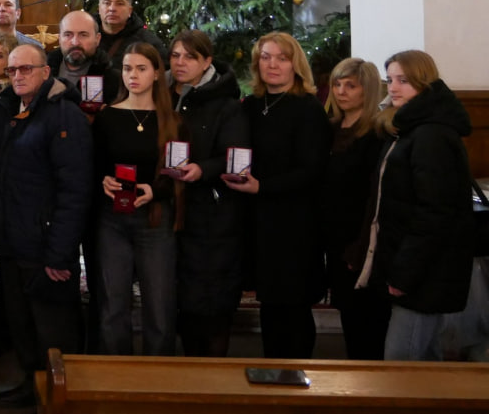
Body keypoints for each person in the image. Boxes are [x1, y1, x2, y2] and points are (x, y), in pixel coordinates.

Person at [0, 44, 92, 407]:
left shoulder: (64, 116)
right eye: (12, 70)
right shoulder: (8, 109)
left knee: (53, 329)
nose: (17, 75)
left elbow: (75, 190)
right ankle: (32, 383)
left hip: (46, 244)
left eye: (26, 69)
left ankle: (59, 395)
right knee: (22, 322)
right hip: (13, 241)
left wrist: (60, 253)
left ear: (46, 73)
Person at [357, 50, 474, 361]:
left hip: (425, 276)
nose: (393, 87)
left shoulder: (430, 134)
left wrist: (404, 275)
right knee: (427, 365)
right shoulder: (411, 127)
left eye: (403, 80)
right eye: (390, 80)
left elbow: (434, 214)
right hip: (419, 269)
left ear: (423, 83)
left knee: (400, 367)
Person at [225, 32, 331, 359]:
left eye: (282, 58)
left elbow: (312, 171)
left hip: (295, 221)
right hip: (259, 220)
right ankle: (273, 374)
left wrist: (263, 187)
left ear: (295, 65)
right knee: (270, 303)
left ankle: (299, 380)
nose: (273, 64)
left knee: (294, 305)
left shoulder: (308, 108)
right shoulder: (252, 105)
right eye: (266, 56)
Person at [90, 43, 180, 356]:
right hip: (112, 218)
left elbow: (177, 174)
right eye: (127, 68)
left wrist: (156, 190)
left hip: (154, 219)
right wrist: (102, 179)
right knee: (113, 303)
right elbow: (94, 165)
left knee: (159, 305)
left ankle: (156, 382)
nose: (133, 75)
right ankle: (117, 378)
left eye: (141, 68)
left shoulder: (172, 120)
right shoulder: (107, 117)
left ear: (157, 73)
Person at [167, 30, 248, 357]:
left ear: (207, 62)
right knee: (184, 301)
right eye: (175, 55)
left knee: (212, 304)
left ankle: (214, 379)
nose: (180, 62)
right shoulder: (165, 95)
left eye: (189, 56)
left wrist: (204, 169)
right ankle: (190, 375)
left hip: (212, 213)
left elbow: (236, 154)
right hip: (172, 207)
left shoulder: (226, 104)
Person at [321, 57, 390, 359]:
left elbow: (375, 197)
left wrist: (360, 245)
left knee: (368, 322)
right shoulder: (330, 128)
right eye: (337, 84)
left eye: (350, 85)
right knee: (349, 315)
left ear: (368, 90)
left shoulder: (377, 133)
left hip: (361, 240)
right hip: (335, 236)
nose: (341, 91)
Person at [47, 10, 115, 105]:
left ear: (97, 39)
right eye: (68, 35)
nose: (75, 42)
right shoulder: (44, 69)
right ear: (59, 39)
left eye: (83, 35)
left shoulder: (111, 77)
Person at [94, 0, 167, 68]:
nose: (112, 8)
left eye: (120, 4)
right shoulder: (84, 35)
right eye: (107, 3)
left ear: (130, 10)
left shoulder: (146, 41)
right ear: (99, 8)